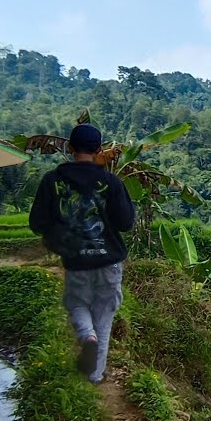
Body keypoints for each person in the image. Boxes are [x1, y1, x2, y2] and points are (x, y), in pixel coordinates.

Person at [29, 122, 135, 383]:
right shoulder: (111, 182)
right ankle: (96, 375)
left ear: (70, 147)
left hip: (76, 260)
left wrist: (59, 235)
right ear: (99, 149)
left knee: (76, 302)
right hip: (108, 260)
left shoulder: (52, 181)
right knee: (104, 314)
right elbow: (125, 223)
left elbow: (37, 223)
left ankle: (87, 336)